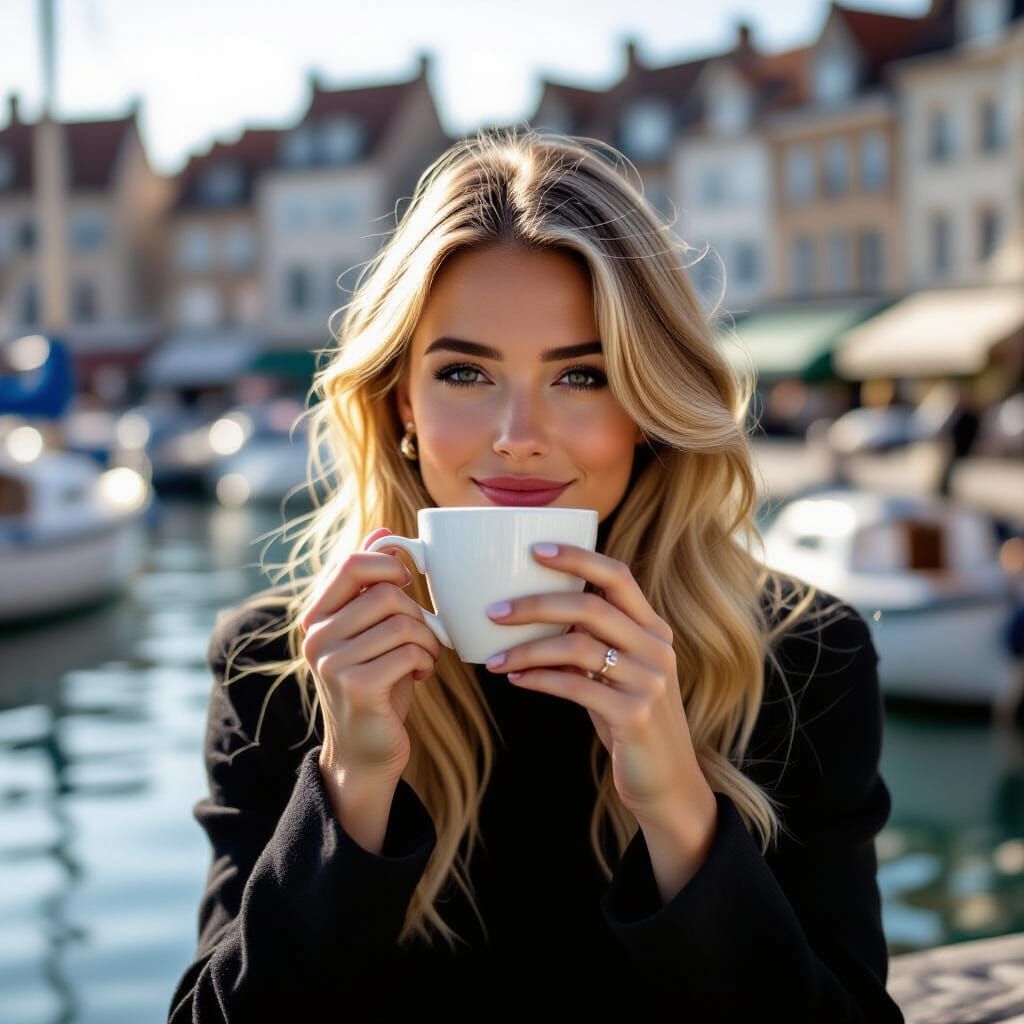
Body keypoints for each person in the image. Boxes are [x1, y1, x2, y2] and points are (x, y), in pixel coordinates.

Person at [167, 127, 905, 1021]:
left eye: (582, 376)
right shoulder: (281, 665)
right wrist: (351, 783)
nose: (519, 435)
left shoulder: (804, 655)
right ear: (402, 403)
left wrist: (678, 806)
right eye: (465, 372)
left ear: (649, 406)